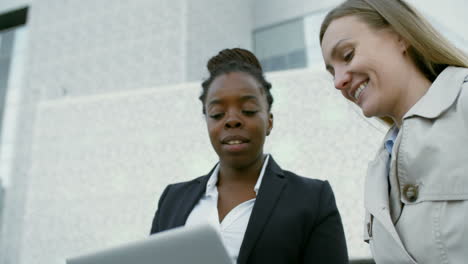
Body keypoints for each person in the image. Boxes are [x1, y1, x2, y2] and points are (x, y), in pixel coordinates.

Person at [150, 48, 348, 263]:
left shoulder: (313, 198)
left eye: (249, 110)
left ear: (269, 122)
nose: (232, 120)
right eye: (217, 114)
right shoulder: (173, 199)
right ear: (207, 122)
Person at [319, 0, 468, 263]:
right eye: (332, 72)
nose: (338, 81)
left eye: (347, 55)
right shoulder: (379, 171)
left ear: (400, 36)